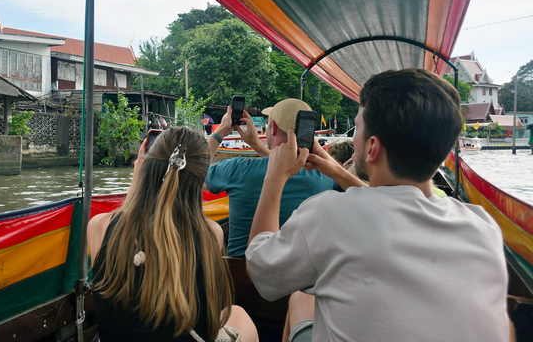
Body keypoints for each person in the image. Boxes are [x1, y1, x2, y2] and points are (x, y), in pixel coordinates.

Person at [246, 69, 510, 341]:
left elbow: (261, 272)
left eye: (357, 127)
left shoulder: (328, 214)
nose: (354, 136)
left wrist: (274, 177)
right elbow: (393, 204)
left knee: (301, 298)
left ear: (372, 147)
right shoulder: (482, 226)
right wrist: (338, 172)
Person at [88, 127, 258, 342]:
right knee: (239, 315)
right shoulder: (210, 234)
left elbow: (129, 221)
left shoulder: (98, 227)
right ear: (200, 179)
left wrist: (137, 181)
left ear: (145, 168)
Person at [205, 99, 335, 257]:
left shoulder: (238, 170)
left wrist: (220, 132)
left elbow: (195, 172)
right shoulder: (327, 178)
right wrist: (256, 144)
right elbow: (283, 166)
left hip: (242, 277)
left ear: (272, 128)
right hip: (305, 278)